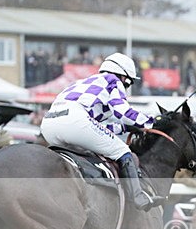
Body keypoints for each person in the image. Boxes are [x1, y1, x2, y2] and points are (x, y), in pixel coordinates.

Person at [40, 52, 164, 211]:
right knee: (122, 151)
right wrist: (153, 122)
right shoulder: (113, 80)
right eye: (128, 84)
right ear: (124, 77)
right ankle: (138, 197)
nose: (126, 88)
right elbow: (123, 112)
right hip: (74, 121)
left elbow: (97, 127)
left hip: (49, 125)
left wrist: (127, 128)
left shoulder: (83, 82)